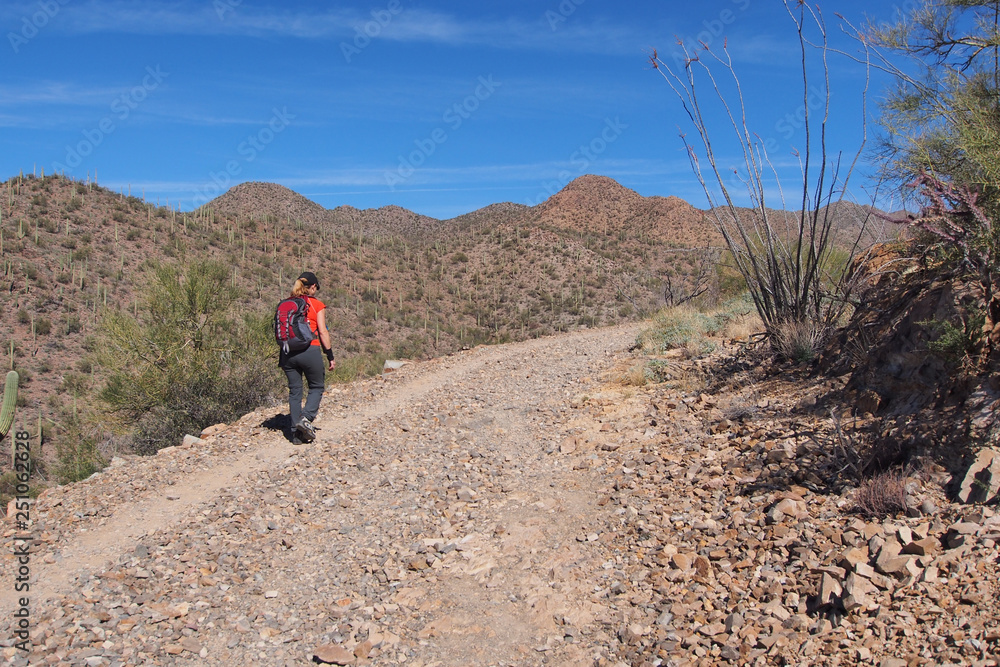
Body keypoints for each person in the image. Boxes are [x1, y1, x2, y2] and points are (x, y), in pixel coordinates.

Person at [279, 271, 335, 443]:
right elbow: (323, 332)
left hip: (287, 352)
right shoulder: (316, 305)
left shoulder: (285, 303)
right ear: (312, 287)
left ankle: (295, 435)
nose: (316, 290)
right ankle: (306, 419)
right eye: (315, 287)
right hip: (309, 350)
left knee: (295, 391)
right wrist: (330, 355)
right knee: (317, 386)